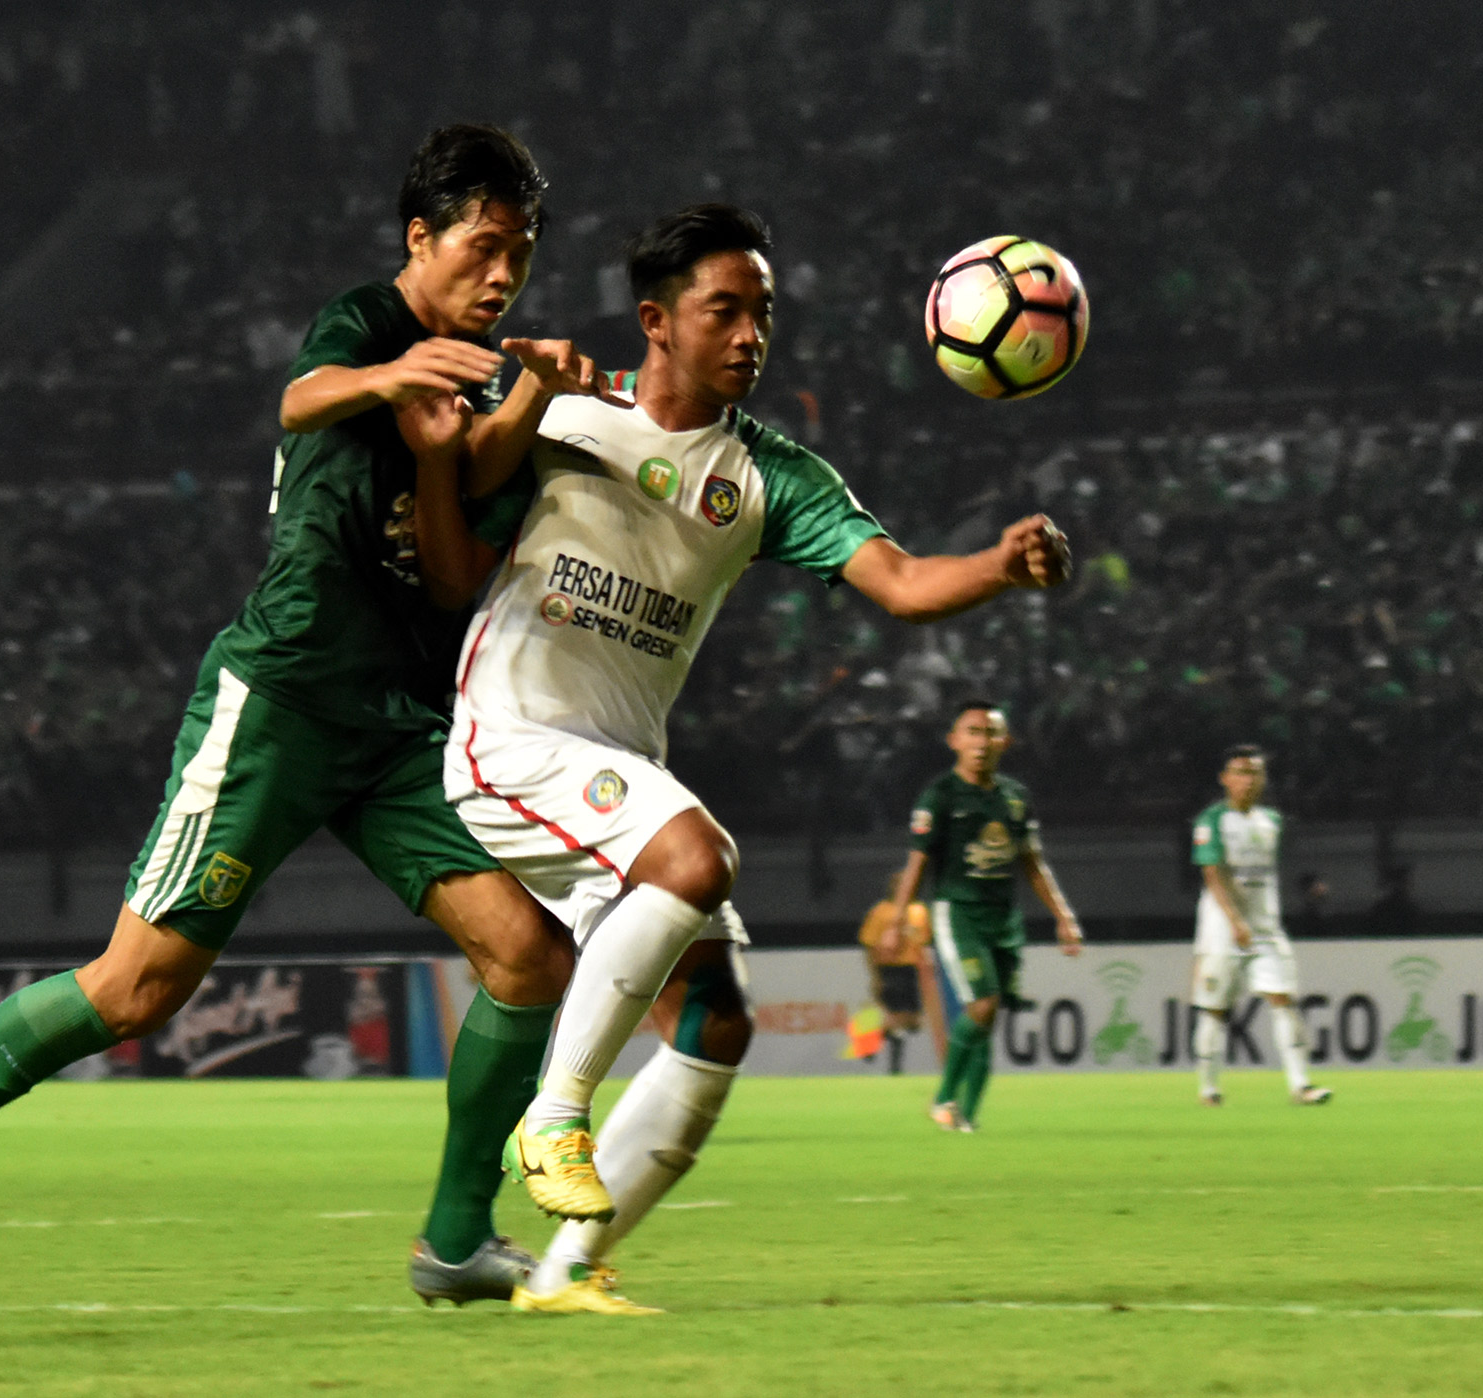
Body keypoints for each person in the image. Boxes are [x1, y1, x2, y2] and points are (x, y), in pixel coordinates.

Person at [0, 125, 616, 1305]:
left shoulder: (480, 372)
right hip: (281, 701)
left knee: (528, 954)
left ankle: (452, 1245)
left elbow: (450, 572)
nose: (503, 278)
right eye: (484, 248)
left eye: (521, 255)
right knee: (138, 990)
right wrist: (397, 379)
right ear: (420, 239)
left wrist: (523, 398)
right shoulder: (370, 324)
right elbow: (300, 399)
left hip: (391, 728)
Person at [431, 204, 1073, 1313]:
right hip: (511, 743)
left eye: (762, 314)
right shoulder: (565, 414)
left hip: (610, 777)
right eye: (722, 310)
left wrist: (1000, 568)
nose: (749, 335)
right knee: (695, 858)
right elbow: (441, 495)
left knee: (717, 1018)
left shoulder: (772, 476)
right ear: (656, 321)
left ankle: (562, 1275)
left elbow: (905, 584)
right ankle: (554, 1115)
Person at [885, 701, 1082, 1132]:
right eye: (972, 731)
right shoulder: (940, 796)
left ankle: (966, 1118)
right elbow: (916, 863)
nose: (982, 742)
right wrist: (897, 920)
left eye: (991, 733)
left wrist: (1063, 916)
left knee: (988, 1016)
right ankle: (943, 1099)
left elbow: (1033, 861)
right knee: (982, 1005)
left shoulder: (1015, 797)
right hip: (960, 914)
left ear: (1005, 742)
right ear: (954, 741)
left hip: (1005, 918)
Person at [1189, 744, 1332, 1106]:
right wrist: (1235, 920)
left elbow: (1286, 865)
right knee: (1216, 1008)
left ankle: (1301, 1086)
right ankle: (1209, 1089)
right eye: (1240, 771)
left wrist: (1310, 885)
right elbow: (1212, 874)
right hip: (1223, 930)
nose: (1248, 779)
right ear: (1225, 779)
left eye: (1255, 772)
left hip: (1265, 929)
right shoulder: (1212, 821)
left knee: (1284, 1001)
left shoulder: (1272, 821)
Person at [856, 871, 930, 1074]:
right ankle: (892, 1065)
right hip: (891, 969)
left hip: (912, 971)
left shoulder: (919, 911)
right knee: (898, 1017)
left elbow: (921, 944)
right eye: (898, 884)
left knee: (914, 1023)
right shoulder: (881, 912)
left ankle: (871, 1037)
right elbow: (869, 945)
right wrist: (875, 976)